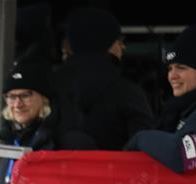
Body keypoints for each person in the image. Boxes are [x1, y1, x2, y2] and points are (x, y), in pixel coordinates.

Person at [125, 25, 196, 173]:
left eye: (181, 67)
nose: (172, 76)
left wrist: (140, 138)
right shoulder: (184, 108)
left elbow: (184, 156)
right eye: (170, 68)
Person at [51, 6, 154, 150]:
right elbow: (145, 147)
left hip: (54, 172)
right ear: (106, 42)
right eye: (119, 40)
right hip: (114, 171)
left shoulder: (47, 86)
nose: (123, 47)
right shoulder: (129, 92)